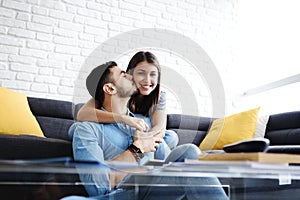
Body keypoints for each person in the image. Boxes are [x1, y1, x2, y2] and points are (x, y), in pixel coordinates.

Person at [64, 61, 228, 199]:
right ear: (110, 89)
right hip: (122, 194)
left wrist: (157, 146)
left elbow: (164, 164)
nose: (131, 75)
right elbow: (99, 188)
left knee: (190, 151)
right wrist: (137, 149)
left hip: (150, 187)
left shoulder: (143, 124)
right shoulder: (87, 129)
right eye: (123, 74)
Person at [75, 51, 178, 160]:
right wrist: (124, 119)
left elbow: (159, 128)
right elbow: (82, 114)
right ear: (131, 73)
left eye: (153, 74)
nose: (147, 80)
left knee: (171, 136)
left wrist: (143, 139)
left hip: (143, 129)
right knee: (76, 128)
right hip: (124, 126)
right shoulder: (120, 88)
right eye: (141, 73)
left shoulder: (158, 96)